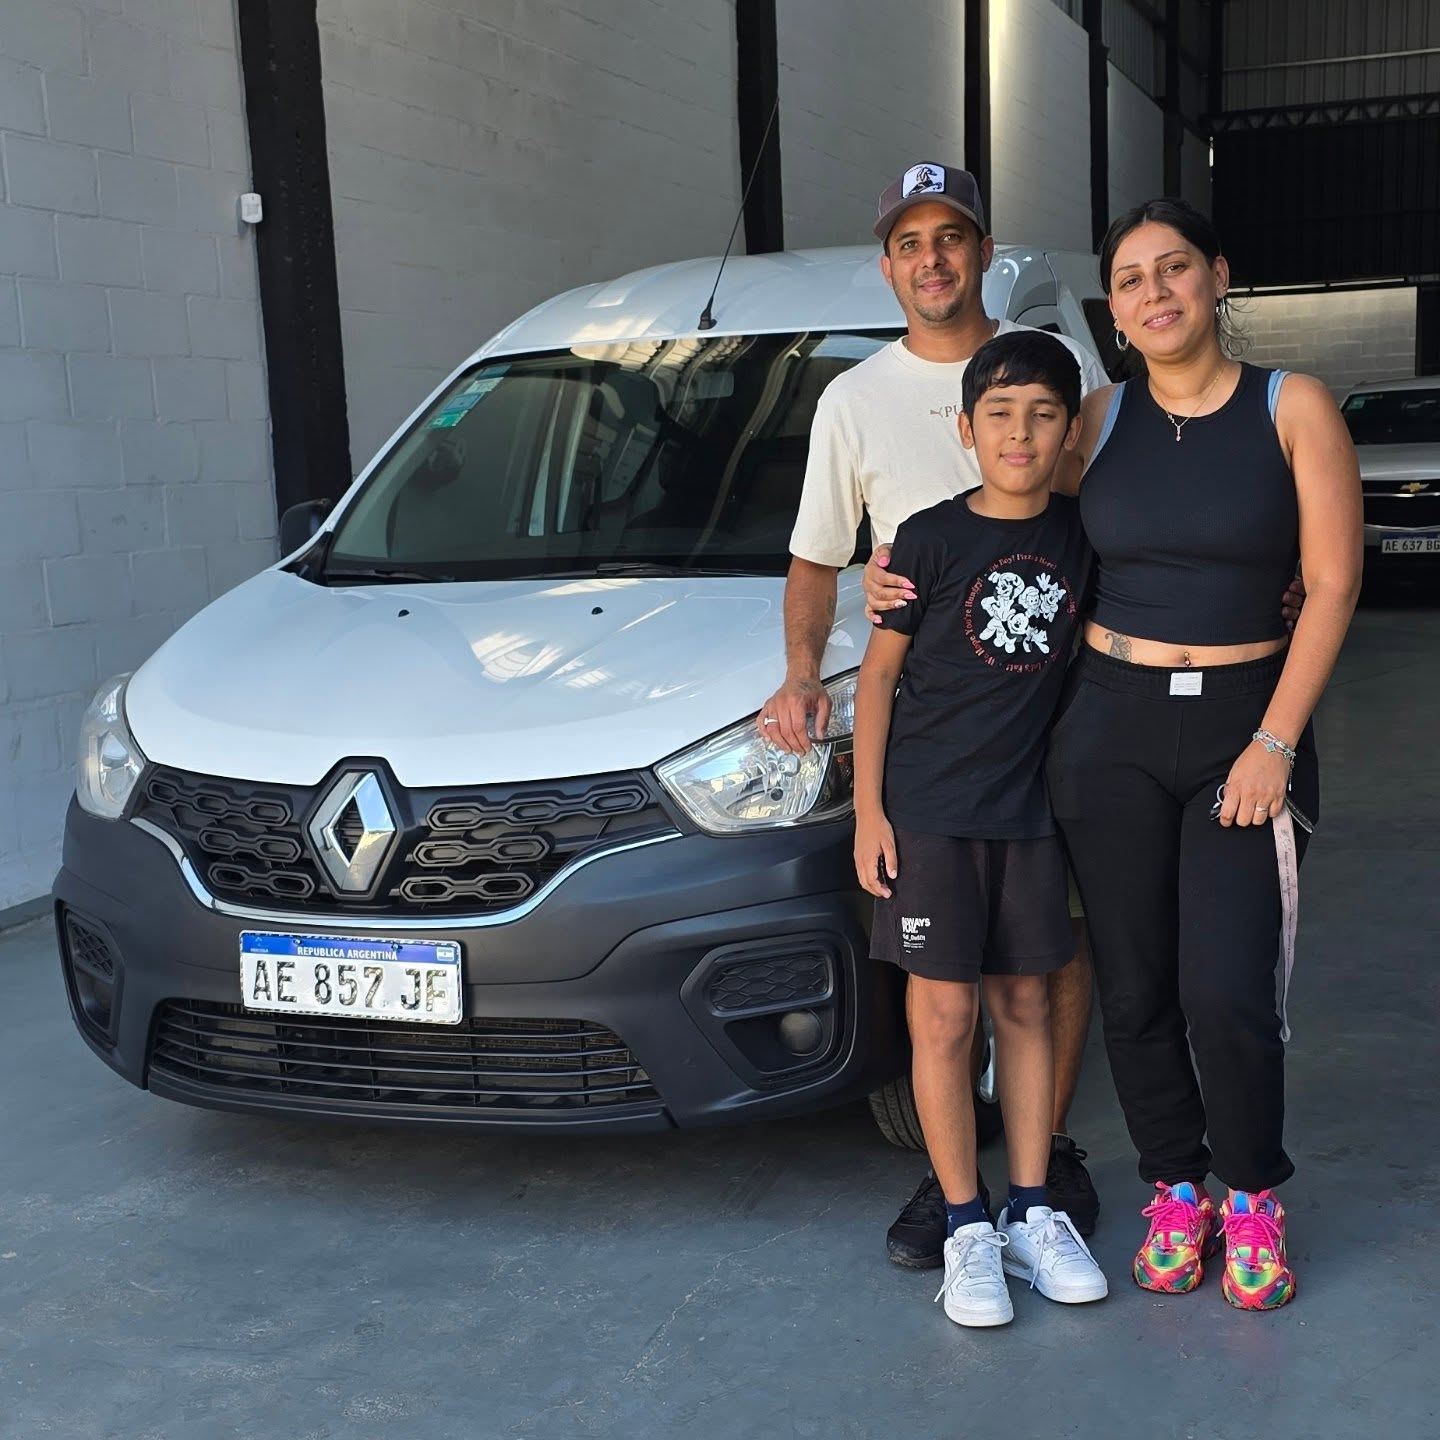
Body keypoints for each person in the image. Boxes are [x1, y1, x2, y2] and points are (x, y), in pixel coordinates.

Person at [755, 162, 1109, 1265]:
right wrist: (803, 671)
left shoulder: (1070, 370)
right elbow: (818, 559)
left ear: (982, 251)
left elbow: (1117, 508)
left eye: (951, 236)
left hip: (1055, 726)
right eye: (911, 242)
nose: (933, 259)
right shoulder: (853, 398)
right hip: (935, 741)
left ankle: (1044, 1170)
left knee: (1051, 963)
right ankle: (959, 1192)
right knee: (947, 990)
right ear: (890, 264)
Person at [854, 330, 1109, 1328]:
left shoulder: (1088, 539)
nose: (1021, 432)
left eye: (1044, 413)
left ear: (1070, 429)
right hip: (928, 819)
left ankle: (1032, 1211)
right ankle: (966, 1223)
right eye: (1000, 413)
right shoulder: (922, 540)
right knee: (943, 1019)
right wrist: (870, 812)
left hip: (1032, 820)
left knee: (1026, 1007)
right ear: (966, 430)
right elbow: (876, 681)